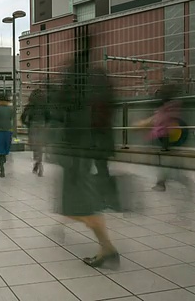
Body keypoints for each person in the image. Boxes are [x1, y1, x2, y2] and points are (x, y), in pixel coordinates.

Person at [53, 74, 118, 269]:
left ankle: (108, 248)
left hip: (78, 158)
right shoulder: (97, 102)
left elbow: (73, 131)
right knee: (76, 204)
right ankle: (104, 246)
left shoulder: (80, 105)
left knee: (81, 206)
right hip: (86, 156)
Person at [21, 89, 50, 177]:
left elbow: (23, 117)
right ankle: (39, 163)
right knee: (40, 145)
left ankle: (37, 162)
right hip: (42, 126)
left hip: (33, 126)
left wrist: (27, 124)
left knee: (34, 145)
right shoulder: (45, 105)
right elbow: (48, 117)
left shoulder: (30, 105)